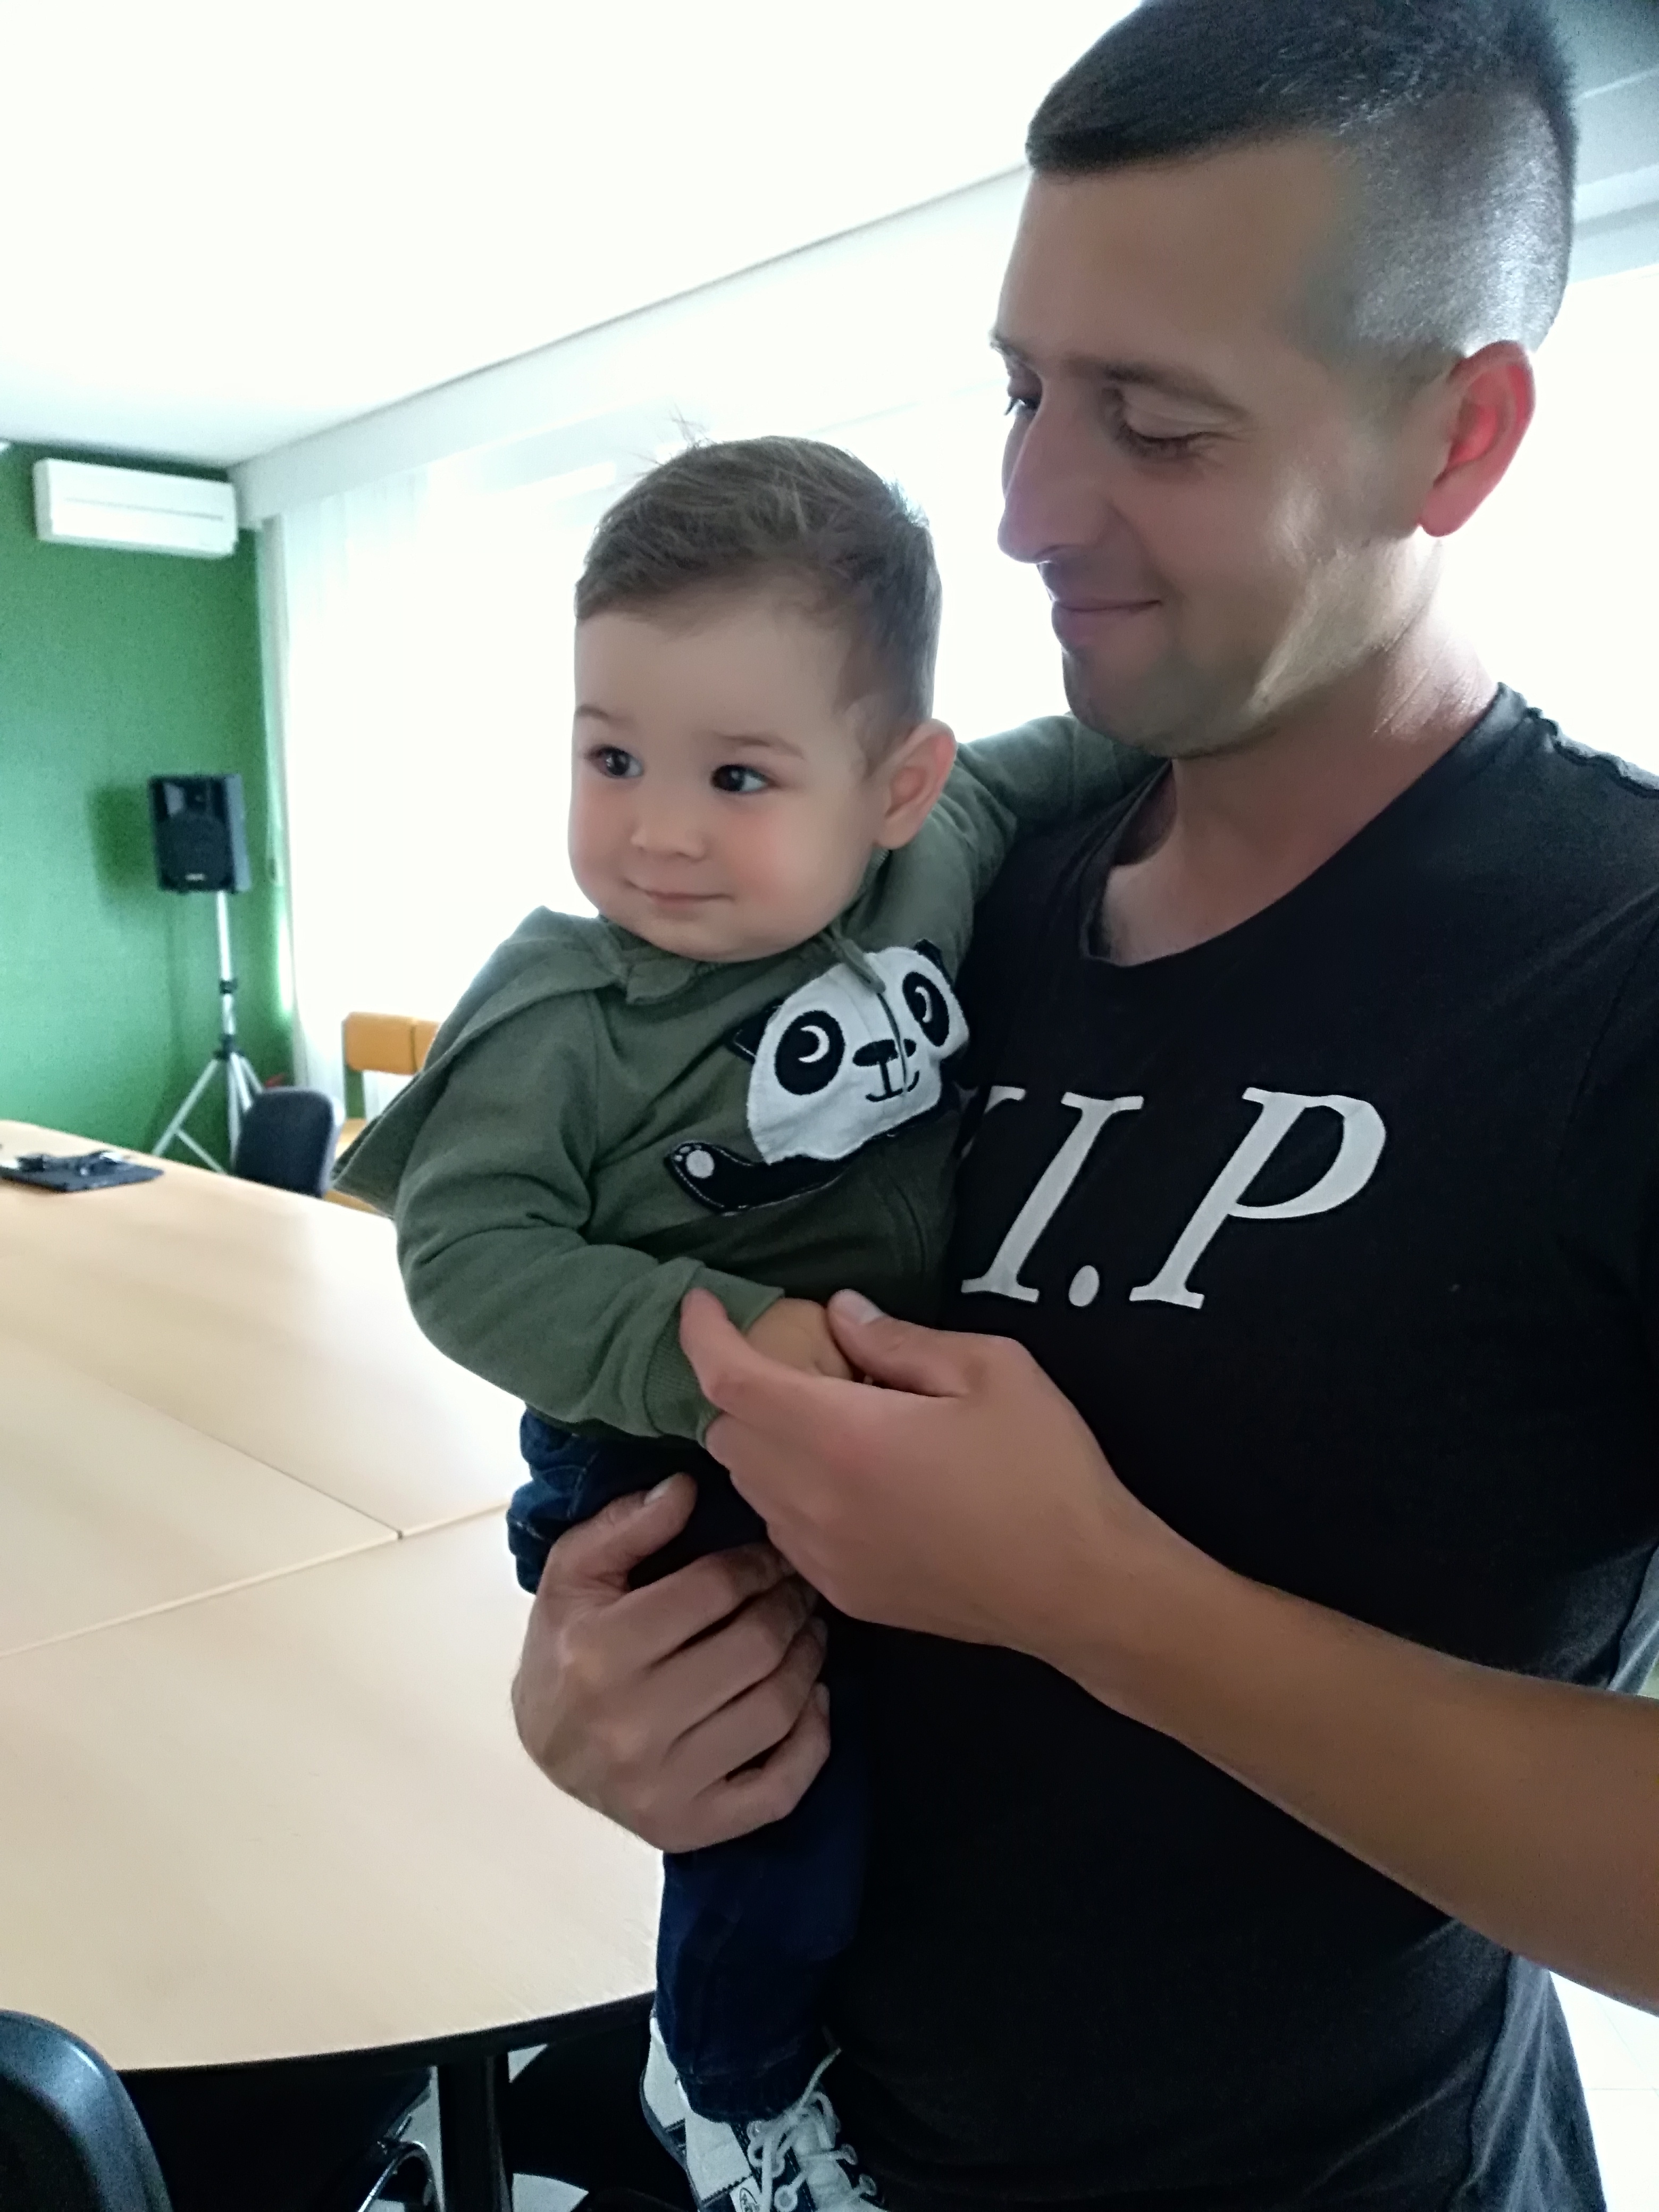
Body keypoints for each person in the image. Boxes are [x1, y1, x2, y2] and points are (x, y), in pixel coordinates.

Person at [508, 3, 1659, 2209]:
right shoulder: (934, 897)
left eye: (1157, 422)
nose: (1027, 512)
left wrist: (1104, 1597)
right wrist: (603, 1687)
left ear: (1460, 436)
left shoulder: (1613, 974)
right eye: (1026, 391)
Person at [334, 435, 1144, 2210]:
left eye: (738, 775)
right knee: (777, 1799)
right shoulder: (564, 1005)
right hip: (664, 1456)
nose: (658, 828)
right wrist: (718, 1341)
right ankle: (729, 2090)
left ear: (897, 784)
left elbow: (1102, 745)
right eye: (610, 755)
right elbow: (466, 1247)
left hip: (876, 1437)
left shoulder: (944, 853)